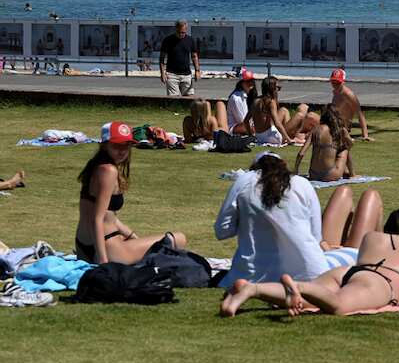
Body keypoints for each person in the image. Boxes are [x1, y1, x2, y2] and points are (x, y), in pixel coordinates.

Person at [215, 152, 383, 290]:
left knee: (345, 192)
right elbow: (316, 238)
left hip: (251, 275)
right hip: (311, 275)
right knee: (370, 197)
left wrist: (250, 218)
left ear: (254, 168)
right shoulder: (301, 184)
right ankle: (385, 255)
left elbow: (222, 231)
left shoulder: (244, 181)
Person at [220, 209, 399, 317]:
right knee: (338, 305)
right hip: (379, 281)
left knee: (311, 300)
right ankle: (297, 285)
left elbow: (363, 263)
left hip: (347, 272)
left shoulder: (372, 236)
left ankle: (252, 289)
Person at [75, 122, 188, 264]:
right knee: (179, 239)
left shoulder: (95, 167)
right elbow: (97, 218)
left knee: (147, 244)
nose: (122, 150)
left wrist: (134, 238)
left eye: (126, 145)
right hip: (107, 248)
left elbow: (109, 217)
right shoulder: (108, 171)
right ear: (104, 145)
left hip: (85, 245)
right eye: (117, 145)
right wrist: (103, 261)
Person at [294, 104, 353, 182]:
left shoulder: (314, 130)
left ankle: (345, 171)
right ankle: (352, 174)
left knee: (336, 149)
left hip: (313, 174)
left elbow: (301, 153)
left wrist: (296, 170)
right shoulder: (339, 130)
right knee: (345, 149)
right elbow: (350, 145)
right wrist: (346, 137)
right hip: (329, 175)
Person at [248, 76, 310, 145]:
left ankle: (291, 135)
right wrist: (288, 139)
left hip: (259, 136)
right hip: (273, 138)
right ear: (272, 88)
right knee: (300, 115)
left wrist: (251, 135)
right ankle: (290, 136)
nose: (278, 90)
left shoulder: (256, 101)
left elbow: (246, 121)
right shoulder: (271, 102)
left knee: (284, 110)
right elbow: (277, 123)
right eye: (278, 88)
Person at [159, 19, 200, 96]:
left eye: (183, 33)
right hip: (172, 75)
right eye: (179, 32)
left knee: (189, 98)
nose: (181, 34)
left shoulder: (190, 40)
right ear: (176, 29)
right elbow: (162, 58)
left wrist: (197, 70)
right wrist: (162, 73)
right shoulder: (167, 40)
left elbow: (194, 56)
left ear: (186, 30)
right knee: (174, 99)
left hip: (186, 74)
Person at [329, 69, 371, 141]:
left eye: (337, 82)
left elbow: (360, 113)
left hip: (341, 127)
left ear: (343, 82)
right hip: (333, 124)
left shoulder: (348, 94)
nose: (335, 84)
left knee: (310, 116)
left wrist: (365, 135)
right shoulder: (335, 92)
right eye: (333, 81)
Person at [227, 68, 257, 134]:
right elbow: (242, 120)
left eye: (252, 81)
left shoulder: (250, 96)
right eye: (248, 81)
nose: (251, 83)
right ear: (241, 83)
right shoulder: (236, 98)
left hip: (246, 124)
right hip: (236, 127)